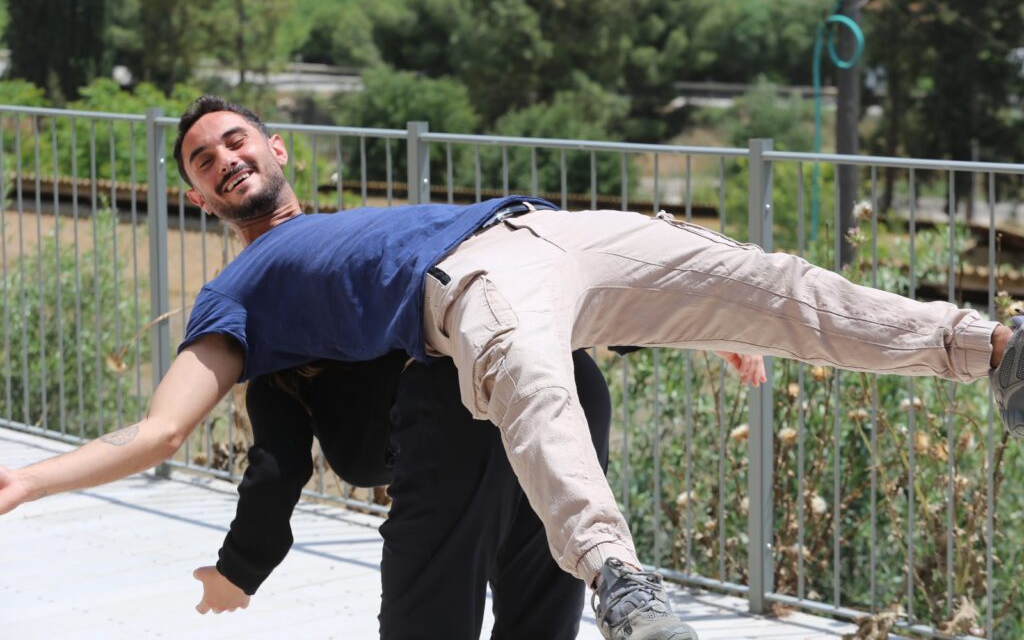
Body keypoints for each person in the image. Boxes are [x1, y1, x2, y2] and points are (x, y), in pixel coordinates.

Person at [1, 96, 1019, 640]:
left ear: (276, 149)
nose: (226, 160)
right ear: (198, 199)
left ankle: (994, 352)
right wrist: (30, 479)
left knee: (770, 284)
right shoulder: (236, 293)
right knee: (532, 382)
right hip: (473, 291)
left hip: (547, 230)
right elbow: (164, 429)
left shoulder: (351, 220)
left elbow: (640, 289)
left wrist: (698, 317)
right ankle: (619, 576)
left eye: (235, 142)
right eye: (203, 161)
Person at [194, 350, 614, 640]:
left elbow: (276, 471)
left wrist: (237, 572)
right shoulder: (378, 302)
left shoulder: (280, 364)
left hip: (465, 407)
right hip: (568, 382)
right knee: (540, 620)